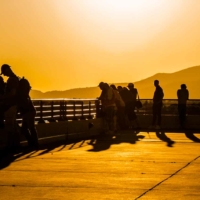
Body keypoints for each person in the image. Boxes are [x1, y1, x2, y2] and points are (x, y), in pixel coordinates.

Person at [0, 64, 20, 151]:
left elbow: (12, 93)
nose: (4, 75)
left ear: (7, 70)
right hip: (14, 105)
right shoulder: (16, 78)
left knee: (10, 126)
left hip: (11, 105)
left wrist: (2, 97)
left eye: (4, 72)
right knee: (13, 126)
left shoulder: (12, 80)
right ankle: (15, 145)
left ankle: (10, 146)